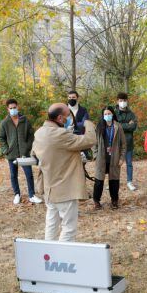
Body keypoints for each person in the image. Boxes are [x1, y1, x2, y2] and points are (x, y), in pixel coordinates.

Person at [32, 103, 96, 241]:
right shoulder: (60, 134)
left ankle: (49, 256)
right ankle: (63, 257)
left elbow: (34, 154)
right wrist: (88, 124)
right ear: (60, 118)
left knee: (52, 224)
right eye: (68, 116)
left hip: (49, 188)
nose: (70, 119)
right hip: (64, 189)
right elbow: (90, 140)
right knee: (69, 227)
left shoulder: (39, 133)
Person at [0, 99, 42, 205]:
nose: (13, 110)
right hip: (11, 154)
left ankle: (32, 195)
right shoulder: (4, 123)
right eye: (11, 108)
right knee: (13, 175)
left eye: (14, 107)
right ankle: (17, 194)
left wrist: (28, 147)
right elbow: (0, 138)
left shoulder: (25, 120)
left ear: (18, 107)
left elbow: (31, 135)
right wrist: (5, 149)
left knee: (29, 174)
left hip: (24, 153)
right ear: (7, 109)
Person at [92, 106, 126, 210]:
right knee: (98, 181)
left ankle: (114, 201)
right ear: (103, 116)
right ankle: (96, 201)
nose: (107, 116)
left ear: (113, 114)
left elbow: (123, 144)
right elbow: (94, 143)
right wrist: (95, 155)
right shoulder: (99, 127)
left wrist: (121, 158)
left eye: (109, 114)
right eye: (105, 114)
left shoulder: (118, 127)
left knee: (114, 181)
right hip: (101, 158)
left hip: (114, 158)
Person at [114, 93, 138, 191]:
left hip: (128, 142)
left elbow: (134, 126)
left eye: (124, 100)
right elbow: (114, 125)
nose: (122, 102)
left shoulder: (131, 114)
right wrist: (127, 125)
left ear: (127, 101)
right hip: (116, 142)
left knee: (129, 163)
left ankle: (129, 181)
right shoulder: (114, 113)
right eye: (120, 100)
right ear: (117, 101)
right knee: (115, 163)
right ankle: (114, 181)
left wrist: (121, 125)